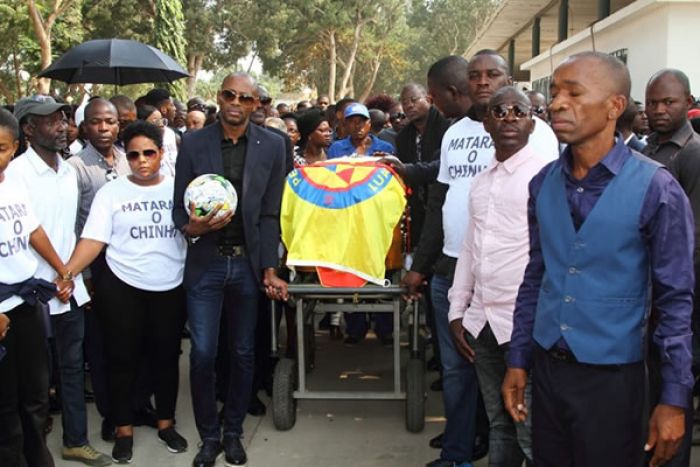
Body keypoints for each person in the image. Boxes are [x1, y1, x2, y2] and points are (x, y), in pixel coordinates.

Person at [503, 51, 693, 467]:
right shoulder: (543, 184)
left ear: (614, 107)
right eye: (554, 93)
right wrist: (518, 359)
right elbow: (536, 276)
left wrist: (675, 399)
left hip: (616, 377)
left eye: (574, 93)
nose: (556, 103)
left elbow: (676, 300)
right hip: (549, 368)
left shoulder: (656, 188)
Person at [173, 72, 288, 467]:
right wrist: (192, 227)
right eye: (229, 94)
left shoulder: (274, 146)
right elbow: (178, 210)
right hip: (205, 264)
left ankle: (234, 431)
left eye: (246, 97)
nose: (236, 102)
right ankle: (209, 436)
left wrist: (270, 267)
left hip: (248, 265)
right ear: (218, 98)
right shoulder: (192, 143)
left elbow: (272, 213)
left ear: (257, 104)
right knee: (203, 353)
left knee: (242, 352)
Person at [67, 121, 188, 464]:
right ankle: (123, 430)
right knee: (121, 361)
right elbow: (93, 240)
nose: (142, 161)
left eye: (149, 153)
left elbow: (194, 229)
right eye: (133, 155)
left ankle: (166, 424)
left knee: (166, 358)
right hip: (122, 287)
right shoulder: (112, 192)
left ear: (161, 154)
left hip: (170, 286)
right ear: (127, 158)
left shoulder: (180, 190)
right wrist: (68, 273)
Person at [448, 86, 549, 467]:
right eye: (499, 111)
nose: (508, 118)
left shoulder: (544, 175)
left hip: (525, 325)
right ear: (486, 122)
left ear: (532, 121)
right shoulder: (482, 180)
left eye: (517, 111)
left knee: (531, 429)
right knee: (499, 425)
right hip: (483, 322)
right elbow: (470, 247)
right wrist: (458, 311)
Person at [8, 97, 110, 466]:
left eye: (64, 119)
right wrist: (59, 273)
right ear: (29, 129)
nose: (62, 126)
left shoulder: (69, 170)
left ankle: (75, 440)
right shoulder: (16, 174)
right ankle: (30, 451)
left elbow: (73, 230)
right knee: (33, 382)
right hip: (30, 293)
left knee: (70, 367)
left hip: (68, 288)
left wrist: (70, 274)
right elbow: (30, 234)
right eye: (51, 121)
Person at [0, 106, 74, 467]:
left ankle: (37, 458)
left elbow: (33, 232)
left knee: (35, 394)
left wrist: (63, 270)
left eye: (0, 147)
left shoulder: (12, 185)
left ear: (14, 147)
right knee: (4, 402)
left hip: (26, 301)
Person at [643, 68, 700, 464]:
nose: (660, 110)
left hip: (674, 295)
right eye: (653, 103)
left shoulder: (693, 154)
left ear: (689, 104)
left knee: (672, 390)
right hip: (644, 294)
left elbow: (692, 238)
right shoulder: (646, 150)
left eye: (670, 102)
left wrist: (671, 297)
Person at [68, 97, 130, 442]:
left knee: (134, 342)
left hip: (130, 266)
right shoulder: (75, 168)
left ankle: (137, 404)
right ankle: (111, 412)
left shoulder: (128, 160)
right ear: (84, 127)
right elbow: (75, 229)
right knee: (103, 345)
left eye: (109, 121)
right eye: (95, 122)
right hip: (95, 269)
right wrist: (84, 278)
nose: (104, 128)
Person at [327, 103, 395, 158]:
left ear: (369, 123)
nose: (357, 125)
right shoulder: (336, 149)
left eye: (362, 121)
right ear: (345, 124)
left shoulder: (385, 148)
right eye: (352, 121)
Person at [144, 89, 179, 176]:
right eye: (172, 105)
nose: (175, 108)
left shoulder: (171, 134)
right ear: (163, 109)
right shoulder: (141, 138)